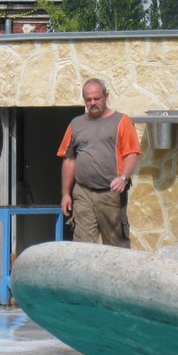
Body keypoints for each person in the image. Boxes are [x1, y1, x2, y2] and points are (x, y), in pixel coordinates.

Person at [57, 78, 140, 248]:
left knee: (116, 246)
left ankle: (117, 275)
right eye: (88, 99)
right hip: (83, 192)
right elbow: (69, 159)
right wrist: (66, 193)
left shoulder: (121, 121)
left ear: (106, 96)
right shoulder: (76, 124)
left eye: (97, 98)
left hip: (111, 193)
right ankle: (83, 275)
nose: (92, 103)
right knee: (82, 245)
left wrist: (124, 178)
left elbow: (132, 153)